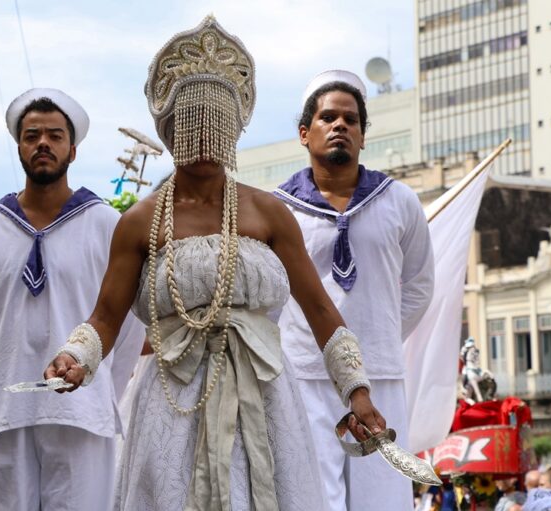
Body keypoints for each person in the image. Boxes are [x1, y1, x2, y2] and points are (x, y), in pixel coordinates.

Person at [45, 15, 385, 510]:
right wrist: (76, 357)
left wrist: (357, 392)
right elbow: (105, 318)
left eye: (216, 119)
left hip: (265, 396)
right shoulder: (139, 222)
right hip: (171, 399)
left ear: (233, 128)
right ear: (170, 128)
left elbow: (322, 313)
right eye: (193, 118)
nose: (205, 132)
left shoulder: (270, 212)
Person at [0, 86, 144, 510]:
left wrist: (98, 390)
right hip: (6, 410)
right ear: (19, 147)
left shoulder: (107, 224)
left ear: (72, 151)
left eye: (55, 135)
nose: (43, 143)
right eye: (32, 135)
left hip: (82, 415)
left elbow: (129, 325)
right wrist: (7, 364)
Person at [273, 70, 435, 510]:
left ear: (364, 136)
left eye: (351, 119)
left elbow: (420, 286)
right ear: (305, 134)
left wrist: (369, 346)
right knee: (309, 498)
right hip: (303, 374)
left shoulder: (399, 200)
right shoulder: (278, 209)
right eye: (328, 118)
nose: (340, 125)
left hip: (379, 375)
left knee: (383, 498)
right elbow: (268, 300)